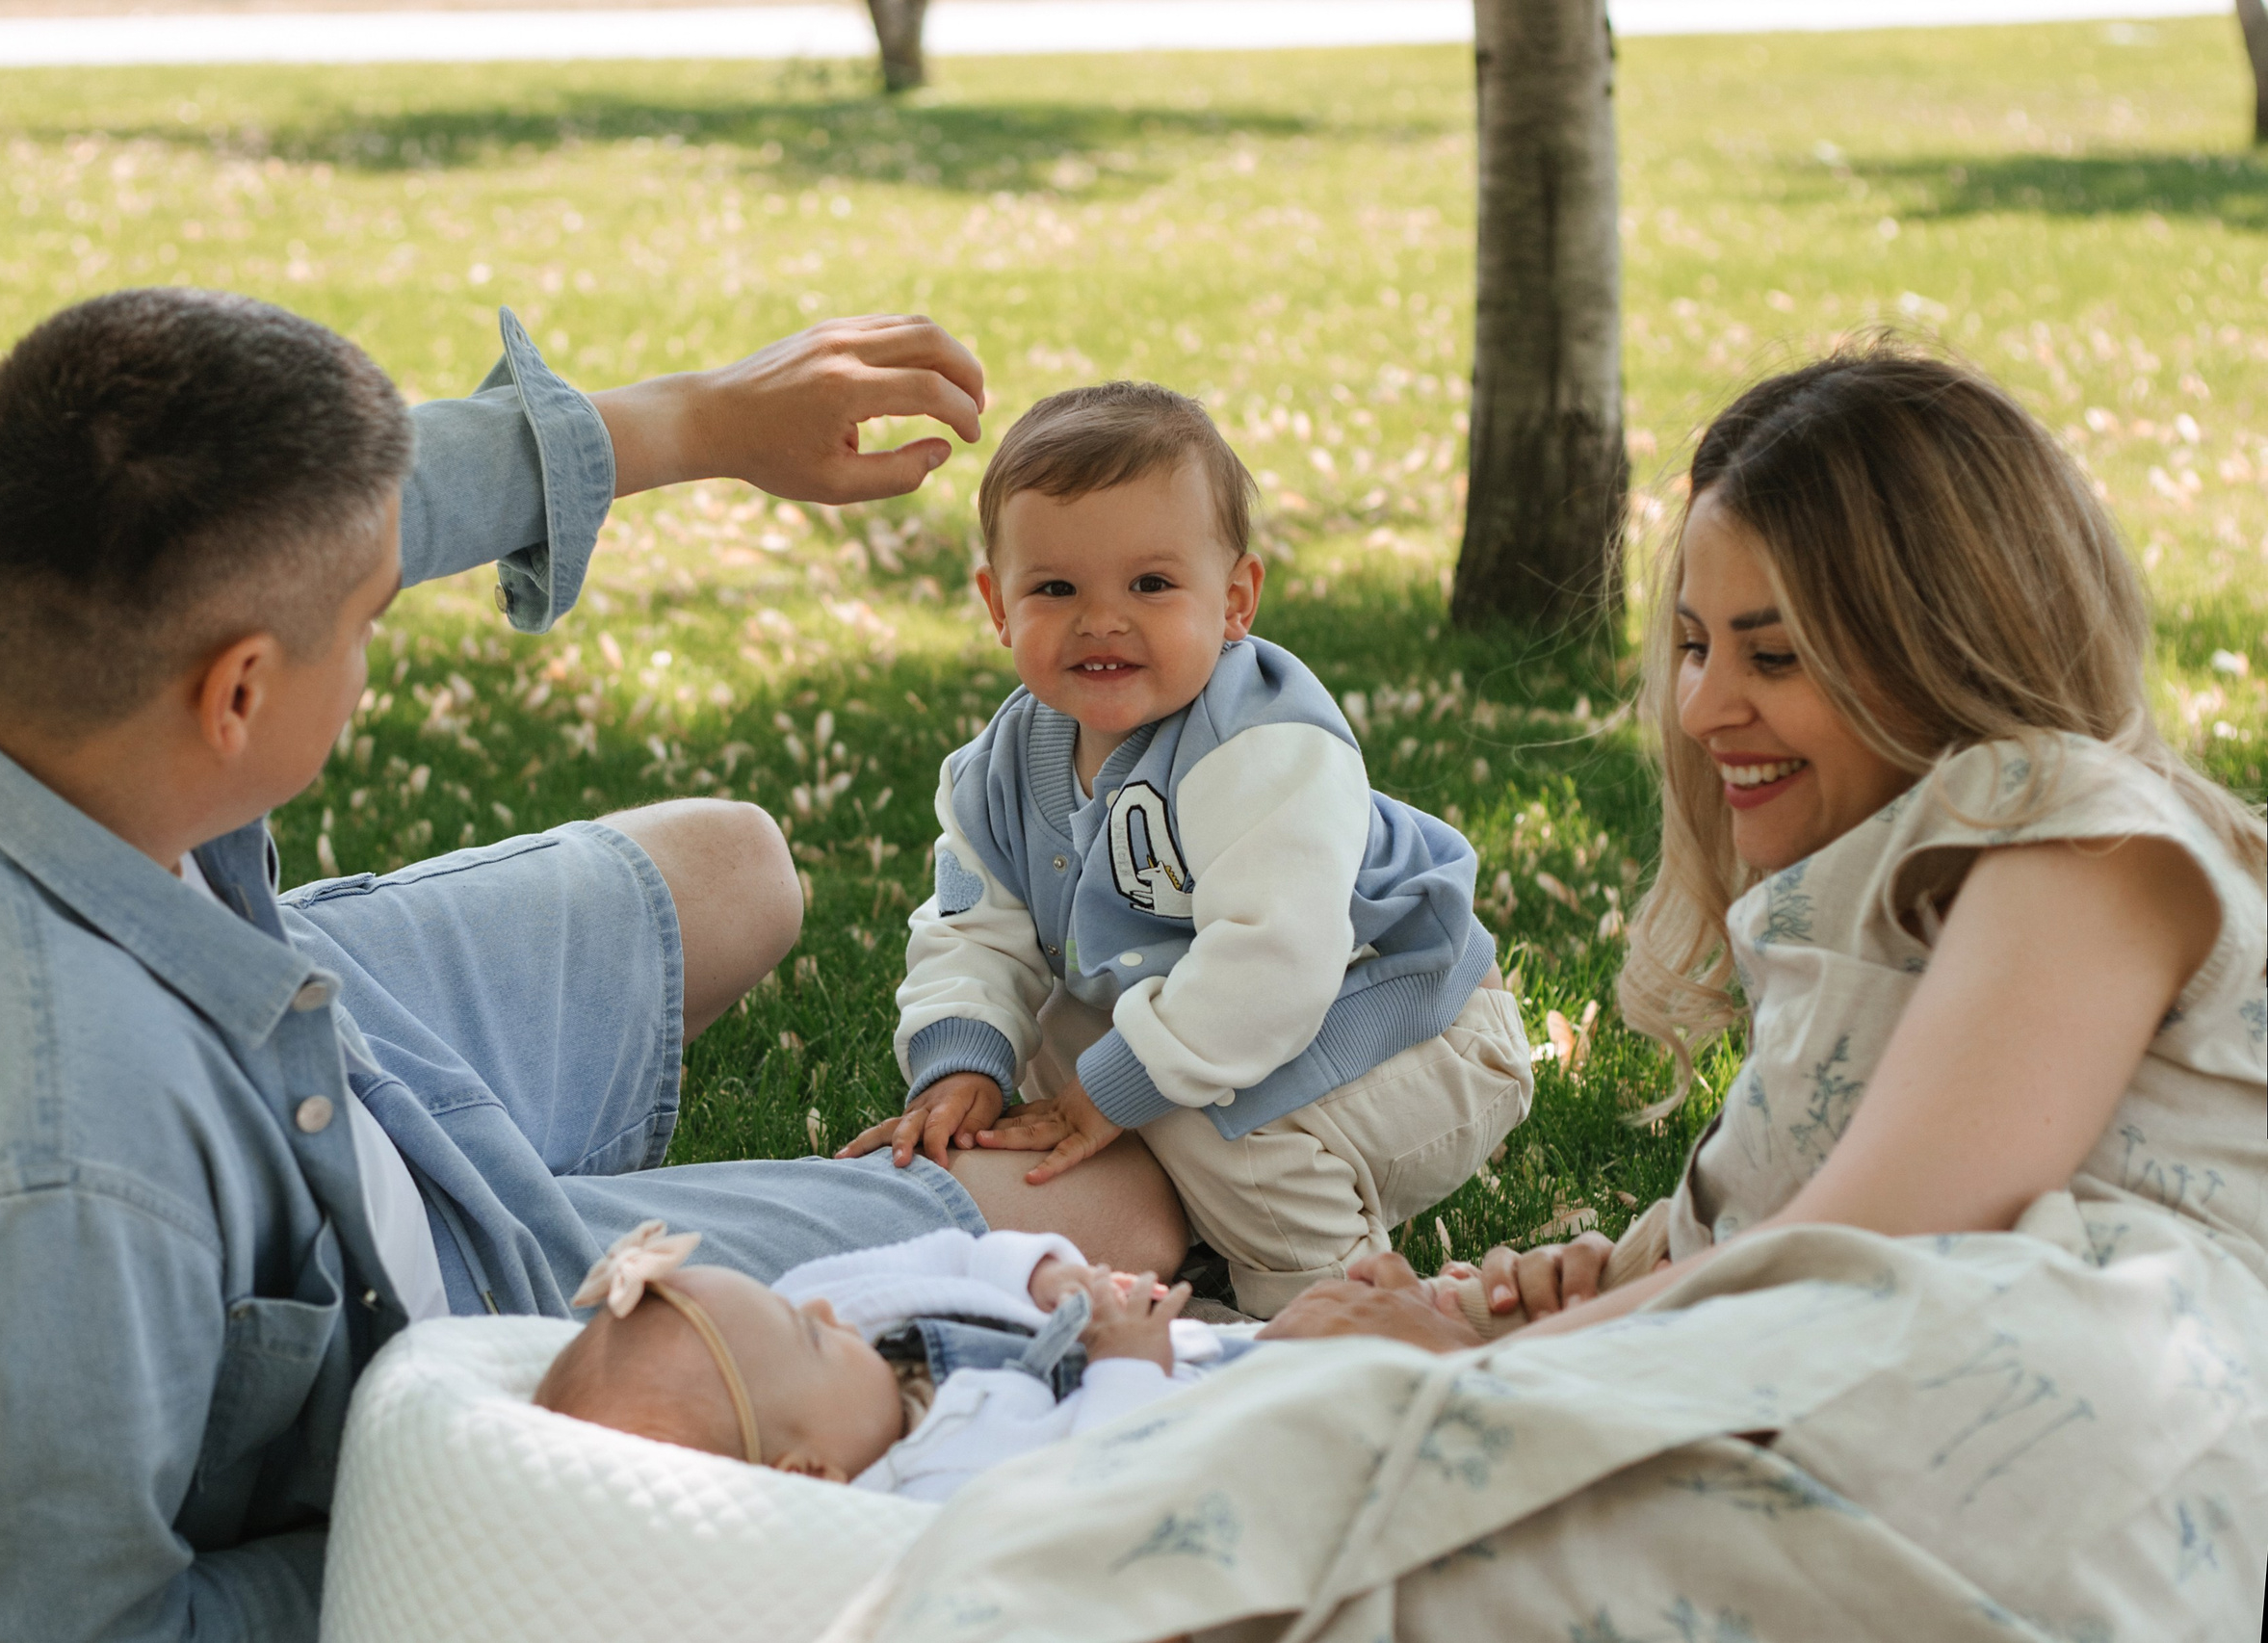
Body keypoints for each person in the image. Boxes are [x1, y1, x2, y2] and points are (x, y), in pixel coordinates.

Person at [0, 288, 1186, 1642]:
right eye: (359, 630)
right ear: (235, 693)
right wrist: (463, 1511)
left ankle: (585, 1181)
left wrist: (705, 419)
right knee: (1115, 1211)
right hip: (368, 1295)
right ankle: (569, 1247)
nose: (371, 644)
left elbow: (348, 510)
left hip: (301, 1019)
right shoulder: (64, 1181)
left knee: (735, 866)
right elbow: (77, 1621)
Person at [825, 345, 2268, 1642]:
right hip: (1853, 1346)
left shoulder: (2076, 829)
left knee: (1245, 1492)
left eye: (1773, 654)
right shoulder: (1872, 897)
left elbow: (1889, 1225)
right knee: (1182, 1502)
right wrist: (1592, 1283)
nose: (1702, 707)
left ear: (1951, 639)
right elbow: (1793, 1215)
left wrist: (1445, 1375)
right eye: (1697, 645)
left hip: (2045, 1406)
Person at [836, 381, 1532, 1317]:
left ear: (1235, 597)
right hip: (1218, 1007)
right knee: (1032, 1076)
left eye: (1151, 584)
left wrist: (1115, 1085)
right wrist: (963, 1058)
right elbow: (971, 930)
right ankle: (1172, 1270)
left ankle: (1326, 1320)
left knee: (1220, 1128)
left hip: (1407, 1022)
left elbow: (1271, 964)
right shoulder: (995, 768)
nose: (1101, 618)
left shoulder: (1263, 744)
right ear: (997, 605)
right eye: (1054, 588)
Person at [534, 1220, 1215, 1502]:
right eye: (812, 1336)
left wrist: (1035, 1277)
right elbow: (1098, 1501)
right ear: (809, 1474)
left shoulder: (817, 1311)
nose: (829, 1312)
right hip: (1211, 1429)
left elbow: (949, 1254)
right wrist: (1127, 1369)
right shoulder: (932, 1486)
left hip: (1194, 1354)